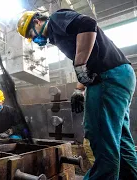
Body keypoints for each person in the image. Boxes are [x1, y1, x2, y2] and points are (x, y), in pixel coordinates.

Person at [17, 9, 137, 179]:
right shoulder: (60, 36)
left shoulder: (55, 20)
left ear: (37, 21)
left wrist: (79, 65)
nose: (35, 40)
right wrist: (79, 88)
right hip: (121, 75)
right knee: (121, 139)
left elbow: (88, 23)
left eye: (31, 34)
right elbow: (88, 59)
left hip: (107, 77)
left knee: (101, 136)